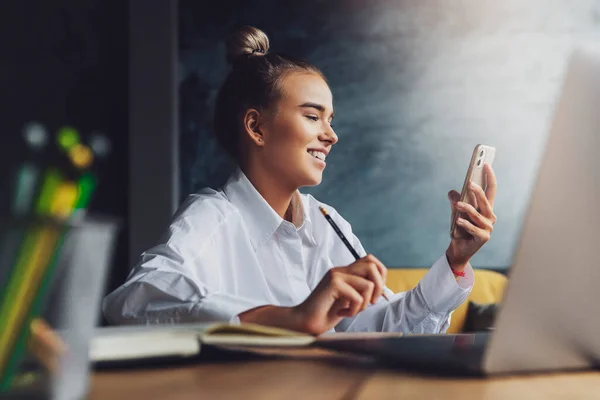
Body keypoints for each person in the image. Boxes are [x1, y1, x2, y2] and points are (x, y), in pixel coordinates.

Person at [103, 26, 498, 335]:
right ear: (256, 127)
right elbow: (133, 302)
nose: (331, 135)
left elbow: (379, 326)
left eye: (330, 120)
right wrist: (286, 319)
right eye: (312, 116)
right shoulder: (211, 216)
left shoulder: (326, 222)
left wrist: (457, 259)